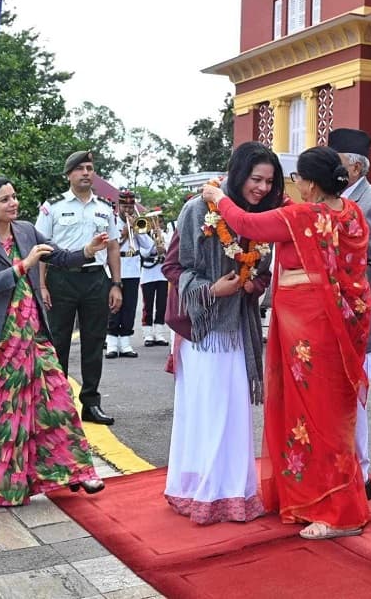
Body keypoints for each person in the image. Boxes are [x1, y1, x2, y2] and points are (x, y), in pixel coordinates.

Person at [202, 145, 371, 541]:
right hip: (331, 328)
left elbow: (247, 225)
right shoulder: (351, 214)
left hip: (310, 331)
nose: (295, 186)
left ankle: (339, 512)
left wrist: (217, 197)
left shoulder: (303, 217)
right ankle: (314, 500)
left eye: (297, 180)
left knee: (317, 417)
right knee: (323, 415)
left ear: (310, 183)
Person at [0, 175, 108, 508]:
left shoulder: (25, 230)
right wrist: (25, 265)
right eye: (4, 199)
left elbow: (60, 257)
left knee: (57, 401)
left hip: (33, 337)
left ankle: (76, 472)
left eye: (14, 196)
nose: (13, 203)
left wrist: (88, 250)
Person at [163, 141, 282, 524]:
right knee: (206, 409)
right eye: (255, 179)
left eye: (269, 181)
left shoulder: (262, 215)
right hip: (202, 329)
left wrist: (253, 285)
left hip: (238, 329)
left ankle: (233, 492)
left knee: (232, 411)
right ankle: (198, 489)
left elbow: (263, 270)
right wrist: (212, 290)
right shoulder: (198, 210)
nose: (262, 188)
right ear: (237, 174)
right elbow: (174, 267)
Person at [328, 128, 371, 500]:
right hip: (329, 320)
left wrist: (332, 278)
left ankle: (361, 476)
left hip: (358, 321)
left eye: (334, 164)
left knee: (355, 404)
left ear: (353, 167)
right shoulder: (331, 202)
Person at [35, 151, 121, 426]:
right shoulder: (53, 206)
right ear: (69, 174)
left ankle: (91, 404)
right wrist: (42, 286)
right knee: (57, 341)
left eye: (90, 168)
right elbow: (42, 248)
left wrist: (116, 284)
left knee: (94, 342)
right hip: (61, 279)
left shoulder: (105, 208)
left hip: (95, 278)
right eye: (80, 169)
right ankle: (58, 405)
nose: (86, 173)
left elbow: (113, 247)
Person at [106, 190, 141, 359]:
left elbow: (149, 249)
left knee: (129, 307)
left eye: (130, 206)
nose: (128, 210)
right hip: (115, 268)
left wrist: (137, 230)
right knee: (114, 307)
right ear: (119, 206)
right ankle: (112, 343)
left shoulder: (137, 222)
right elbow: (111, 248)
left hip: (132, 268)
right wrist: (126, 235)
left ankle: (125, 343)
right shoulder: (111, 222)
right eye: (125, 206)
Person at [136, 213, 170, 347]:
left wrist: (162, 246)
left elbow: (169, 251)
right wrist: (154, 243)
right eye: (154, 222)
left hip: (162, 274)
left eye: (159, 222)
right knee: (148, 305)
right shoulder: (144, 235)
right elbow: (144, 253)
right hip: (148, 274)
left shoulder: (166, 235)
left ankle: (159, 333)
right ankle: (148, 333)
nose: (157, 225)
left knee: (162, 305)